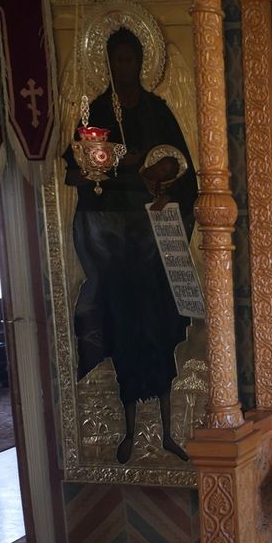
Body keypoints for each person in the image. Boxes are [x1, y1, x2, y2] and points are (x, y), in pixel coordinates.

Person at [63, 27, 197, 464]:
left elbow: (183, 172)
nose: (125, 66)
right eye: (117, 59)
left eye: (131, 58)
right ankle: (128, 433)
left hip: (153, 246)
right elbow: (77, 172)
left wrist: (163, 183)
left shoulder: (157, 111)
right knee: (124, 337)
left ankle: (169, 432)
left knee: (158, 336)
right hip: (116, 250)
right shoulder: (98, 112)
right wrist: (117, 166)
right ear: (108, 63)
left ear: (141, 62)